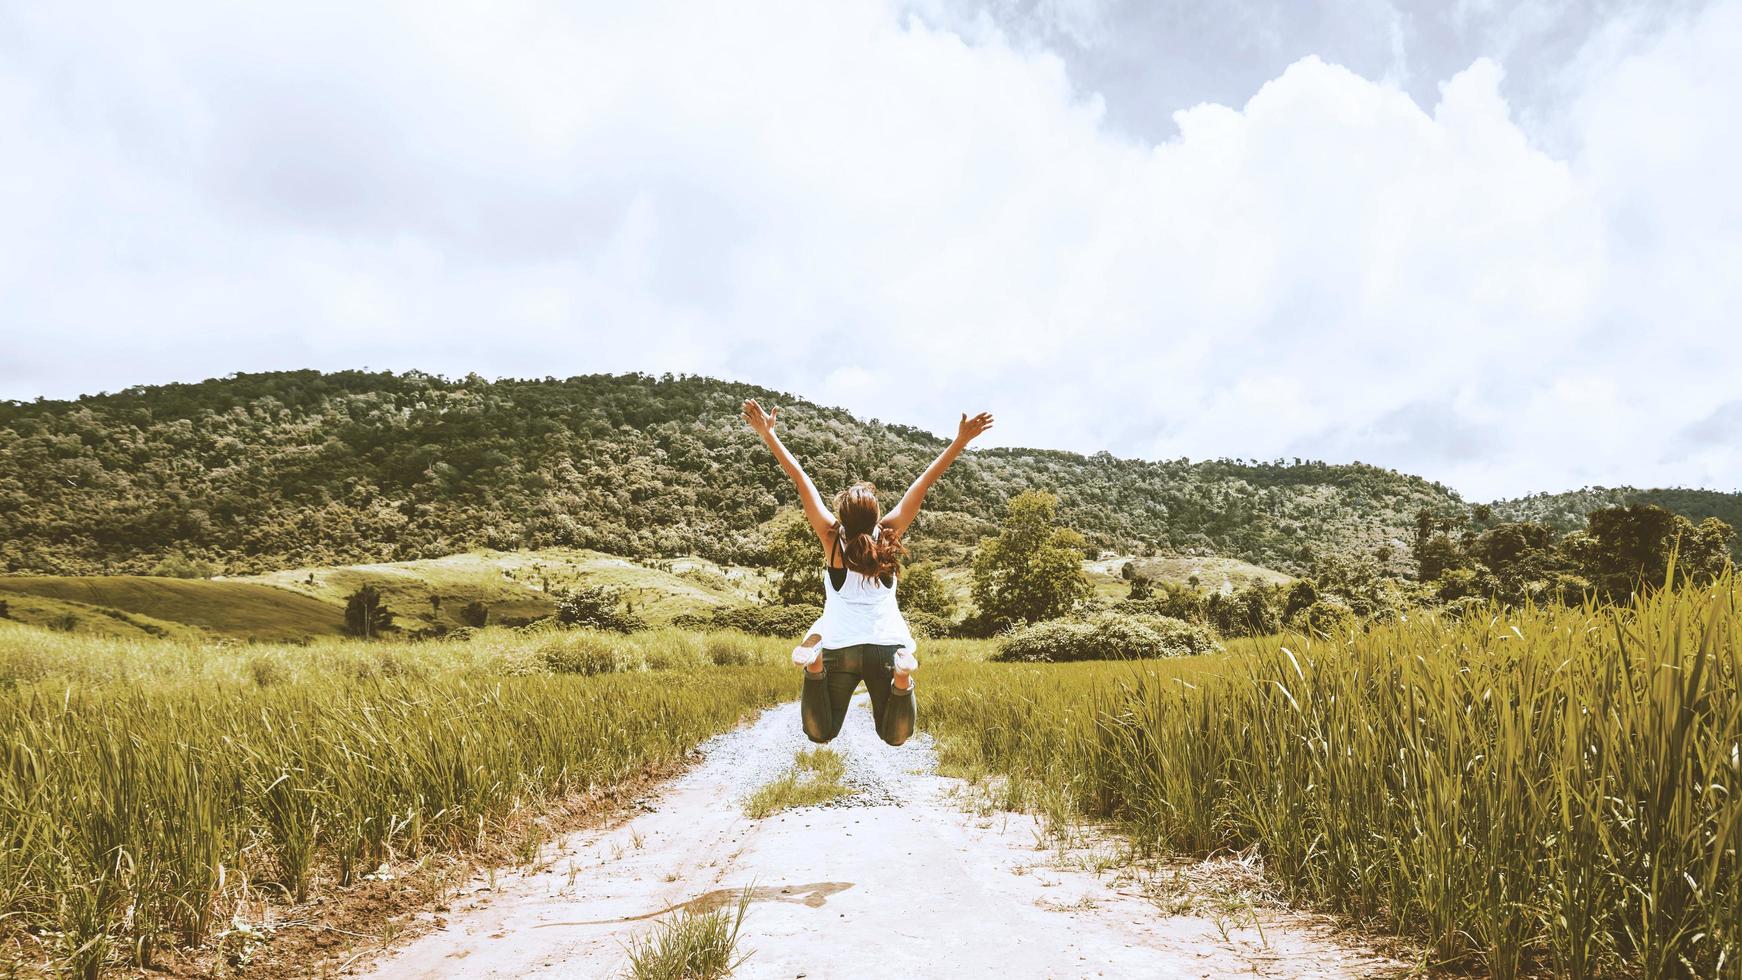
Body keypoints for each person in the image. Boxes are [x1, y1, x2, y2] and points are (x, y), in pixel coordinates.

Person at [742, 397, 994, 745]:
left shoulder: (831, 539)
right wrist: (959, 442)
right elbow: (921, 485)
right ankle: (902, 680)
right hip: (886, 646)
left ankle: (813, 667)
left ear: (841, 517)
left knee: (821, 731)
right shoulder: (889, 535)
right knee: (894, 737)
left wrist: (770, 436)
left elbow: (801, 480)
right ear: (877, 517)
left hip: (838, 647)